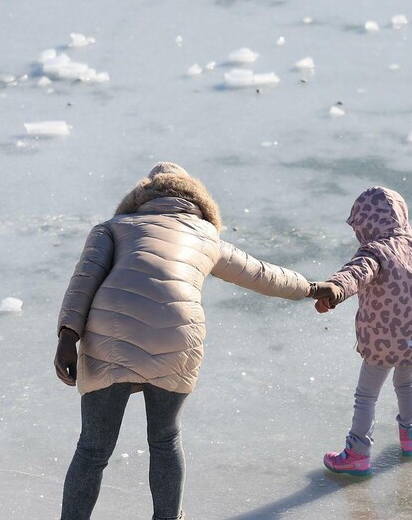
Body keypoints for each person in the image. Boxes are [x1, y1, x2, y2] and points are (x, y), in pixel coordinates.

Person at [54, 162, 328, 520]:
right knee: (165, 440)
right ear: (196, 201)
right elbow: (260, 273)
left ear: (141, 197)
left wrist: (67, 336)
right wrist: (310, 287)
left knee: (93, 448)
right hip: (177, 335)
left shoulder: (115, 227)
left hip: (113, 333)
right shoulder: (206, 237)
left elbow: (84, 280)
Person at [312, 186, 412, 476]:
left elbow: (356, 273)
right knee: (407, 385)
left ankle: (357, 452)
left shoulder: (375, 252)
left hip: (381, 342)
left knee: (366, 396)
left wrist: (336, 289)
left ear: (367, 224)